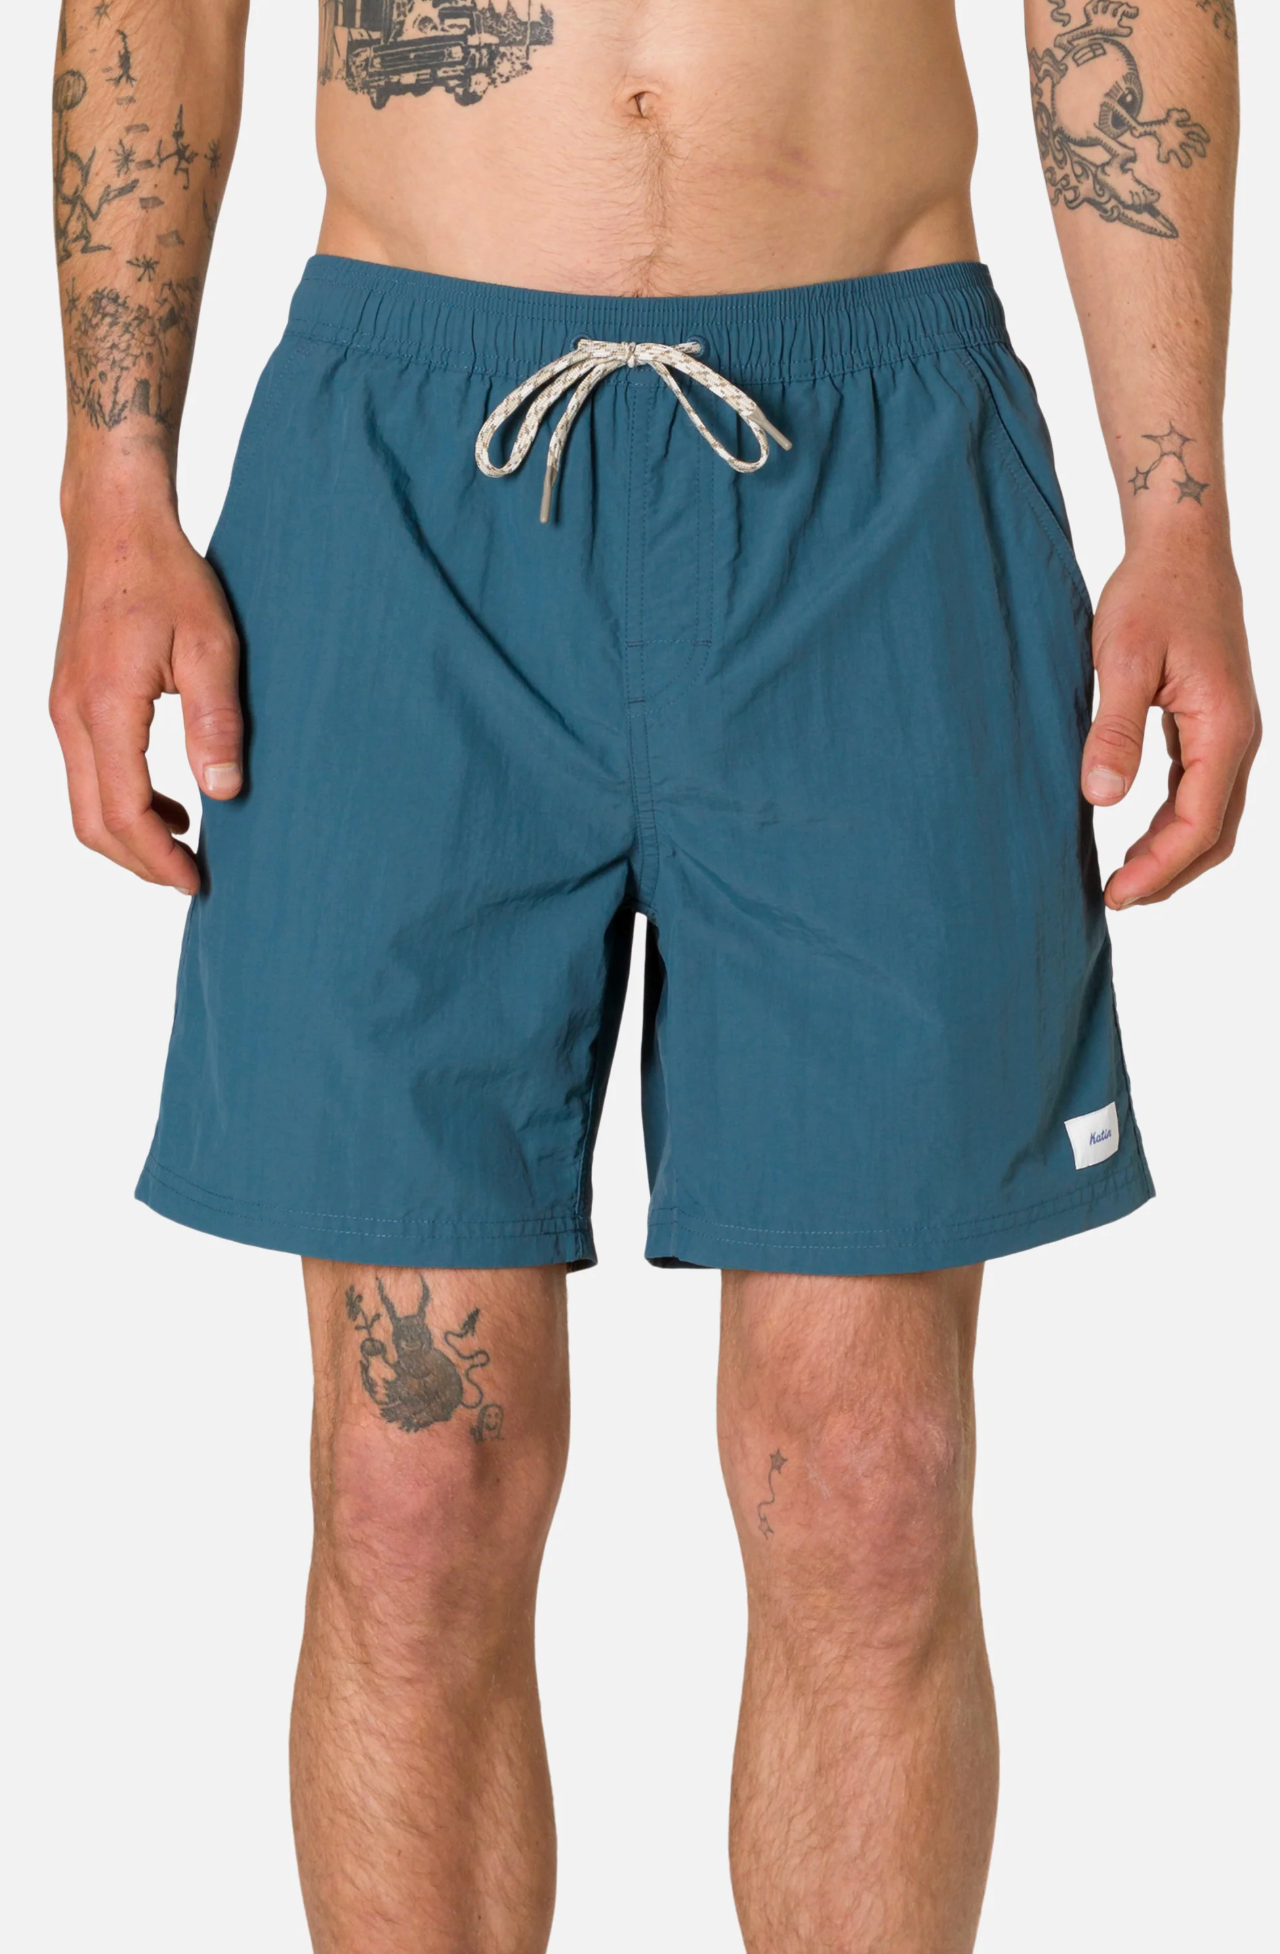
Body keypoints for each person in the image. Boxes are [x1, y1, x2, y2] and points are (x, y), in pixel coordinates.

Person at [49, 0, 1259, 1947]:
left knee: (868, 1478)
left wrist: (1179, 515)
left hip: (875, 450)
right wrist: (114, 490)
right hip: (405, 462)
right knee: (411, 1481)